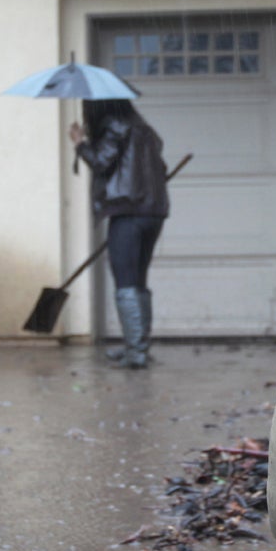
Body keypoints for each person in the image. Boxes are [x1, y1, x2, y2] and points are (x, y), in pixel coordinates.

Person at [69, 99, 169, 369]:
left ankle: (136, 352)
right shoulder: (144, 130)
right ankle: (136, 346)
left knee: (126, 281)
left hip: (128, 212)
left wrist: (79, 143)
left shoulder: (115, 127)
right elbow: (160, 168)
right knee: (137, 280)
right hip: (153, 212)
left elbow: (102, 161)